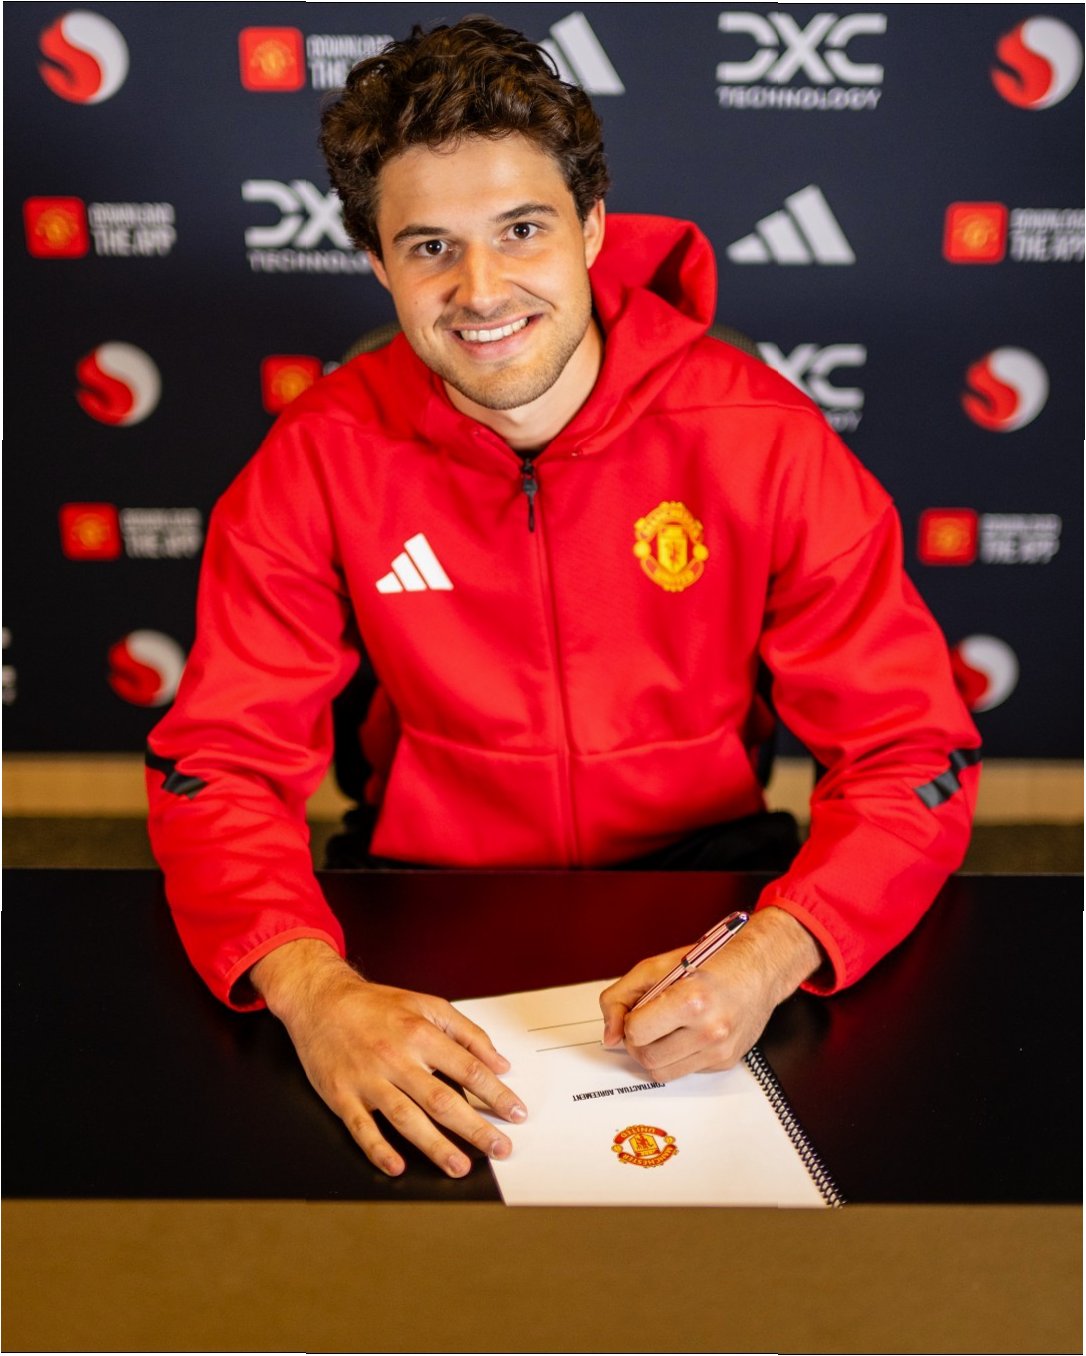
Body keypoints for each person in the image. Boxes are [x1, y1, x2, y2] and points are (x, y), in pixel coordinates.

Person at [146, 17, 981, 1181]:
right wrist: (311, 987)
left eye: (522, 230)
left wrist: (779, 949)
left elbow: (910, 754)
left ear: (591, 226)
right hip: (417, 901)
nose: (481, 290)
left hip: (713, 900)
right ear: (380, 264)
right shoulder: (317, 458)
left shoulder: (764, 438)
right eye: (430, 247)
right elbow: (220, 767)